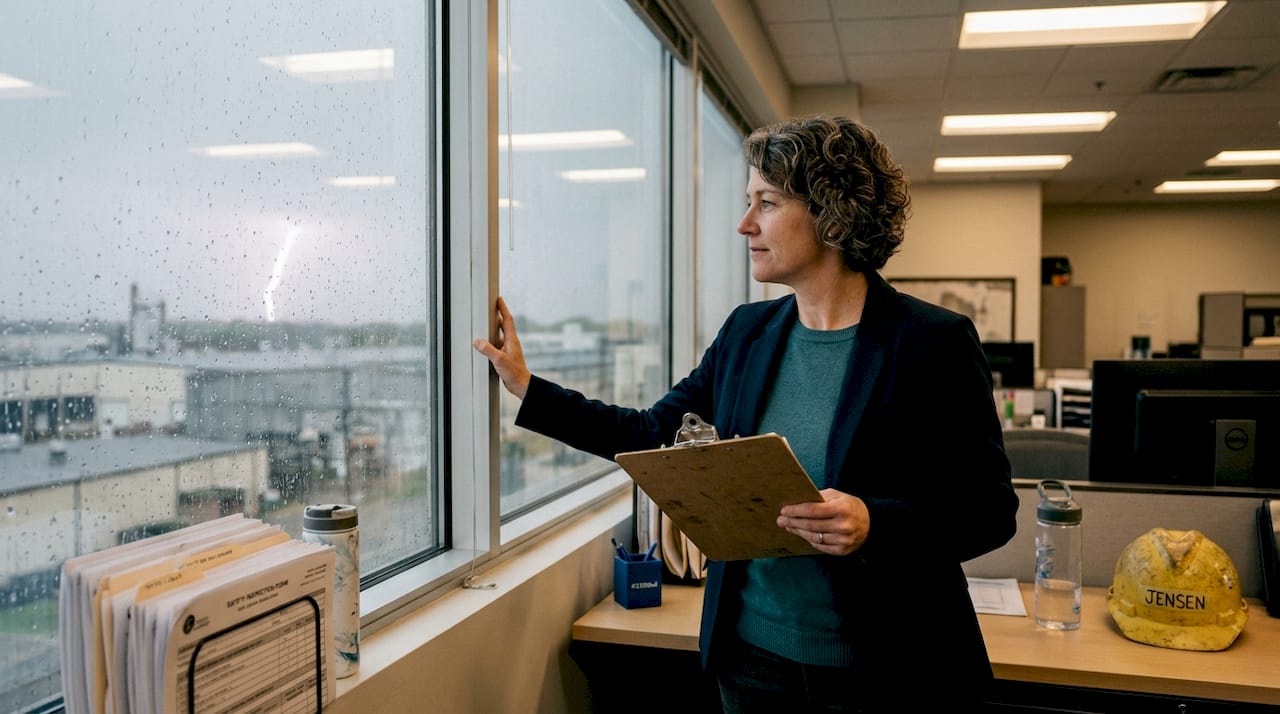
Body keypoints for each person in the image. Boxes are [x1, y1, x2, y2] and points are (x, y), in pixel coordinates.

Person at [472, 114, 1019, 712]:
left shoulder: (932, 342)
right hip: (753, 660)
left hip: (887, 669)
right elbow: (650, 433)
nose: (745, 224)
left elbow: (989, 512)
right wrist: (527, 388)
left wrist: (873, 522)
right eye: (748, 201)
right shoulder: (747, 333)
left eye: (767, 202)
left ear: (832, 215)